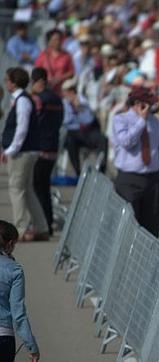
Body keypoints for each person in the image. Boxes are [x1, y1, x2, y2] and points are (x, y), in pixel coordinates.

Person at [112, 87, 159, 237]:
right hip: (129, 179)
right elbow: (126, 142)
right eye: (149, 104)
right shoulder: (120, 119)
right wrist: (141, 121)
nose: (152, 108)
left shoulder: (155, 121)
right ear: (138, 104)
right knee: (129, 225)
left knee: (151, 228)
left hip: (153, 179)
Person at [1, 67, 49, 241]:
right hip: (27, 150)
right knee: (27, 190)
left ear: (13, 82)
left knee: (16, 190)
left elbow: (21, 129)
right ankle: (42, 227)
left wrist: (10, 150)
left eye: (7, 80)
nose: (5, 83)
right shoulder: (21, 99)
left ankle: (20, 229)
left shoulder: (22, 101)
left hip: (23, 152)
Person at [30, 67, 64, 236]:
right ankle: (48, 223)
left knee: (37, 188)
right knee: (44, 187)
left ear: (37, 81)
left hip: (39, 148)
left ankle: (42, 224)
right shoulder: (58, 99)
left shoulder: (37, 99)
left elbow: (32, 122)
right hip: (53, 146)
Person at [0, 220, 40, 362]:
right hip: (3, 337)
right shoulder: (14, 270)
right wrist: (31, 346)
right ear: (10, 244)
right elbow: (19, 314)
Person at [61, 78, 107, 176]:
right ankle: (78, 172)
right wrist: (74, 117)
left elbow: (88, 120)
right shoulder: (64, 104)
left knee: (102, 139)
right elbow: (65, 122)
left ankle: (101, 171)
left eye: (69, 91)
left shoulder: (83, 101)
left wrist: (79, 108)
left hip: (88, 132)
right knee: (70, 140)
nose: (67, 94)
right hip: (73, 133)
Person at [34, 29, 74, 95]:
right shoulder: (43, 55)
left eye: (59, 39)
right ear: (49, 41)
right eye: (55, 39)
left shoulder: (67, 55)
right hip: (46, 90)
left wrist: (60, 78)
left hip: (62, 91)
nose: (58, 42)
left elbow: (71, 72)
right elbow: (37, 71)